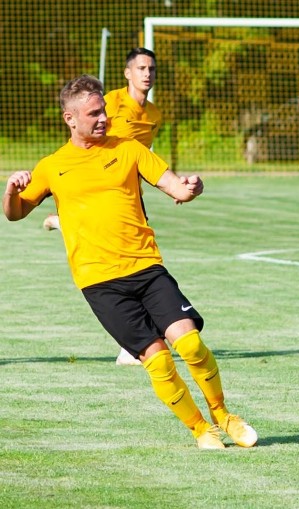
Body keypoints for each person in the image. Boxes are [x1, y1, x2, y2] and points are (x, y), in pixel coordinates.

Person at [4, 75, 257, 450]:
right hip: (99, 283)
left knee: (189, 344)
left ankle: (223, 414)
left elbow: (173, 185)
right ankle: (201, 430)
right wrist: (10, 189)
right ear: (69, 119)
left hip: (146, 267)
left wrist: (189, 189)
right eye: (93, 113)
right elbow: (15, 213)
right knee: (157, 360)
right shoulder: (52, 166)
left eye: (104, 110)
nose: (103, 118)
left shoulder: (129, 148)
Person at [42, 48, 163, 366]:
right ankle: (134, 342)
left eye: (151, 68)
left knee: (139, 257)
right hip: (98, 182)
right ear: (127, 73)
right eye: (141, 68)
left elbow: (141, 154)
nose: (147, 74)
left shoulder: (154, 113)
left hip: (128, 187)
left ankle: (136, 341)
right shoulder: (110, 102)